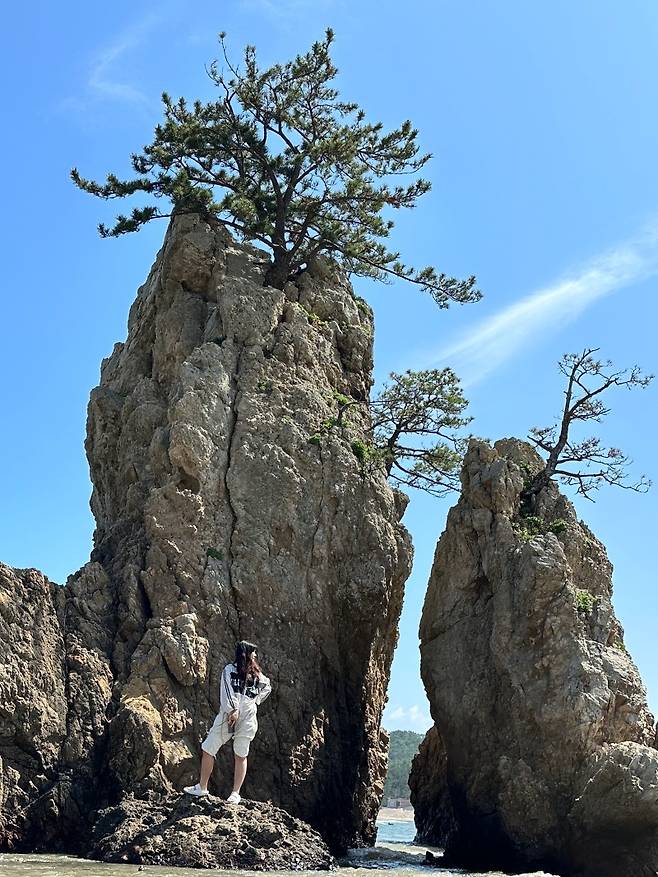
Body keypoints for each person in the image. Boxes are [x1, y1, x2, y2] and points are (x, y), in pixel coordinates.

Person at [184, 640, 271, 803]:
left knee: (239, 753)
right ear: (246, 653)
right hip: (231, 716)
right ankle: (203, 787)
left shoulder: (257, 676)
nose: (255, 655)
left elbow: (267, 687)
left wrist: (253, 701)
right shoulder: (230, 670)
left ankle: (234, 793)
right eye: (253, 652)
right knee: (210, 747)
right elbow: (228, 690)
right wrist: (235, 708)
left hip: (243, 717)